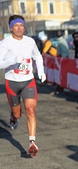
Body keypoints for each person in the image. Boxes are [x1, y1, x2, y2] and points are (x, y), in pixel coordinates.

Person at [0, 15, 46, 156]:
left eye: (21, 25)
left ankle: (32, 142)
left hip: (28, 80)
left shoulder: (30, 41)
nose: (19, 28)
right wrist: (13, 60)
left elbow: (37, 56)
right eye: (16, 25)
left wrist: (41, 71)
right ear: (11, 28)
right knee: (18, 113)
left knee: (30, 110)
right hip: (12, 81)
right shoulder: (5, 43)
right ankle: (13, 117)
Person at [53, 30, 69, 94]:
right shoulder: (60, 41)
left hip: (63, 62)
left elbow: (64, 53)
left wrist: (62, 61)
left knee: (63, 75)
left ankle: (63, 87)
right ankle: (61, 87)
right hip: (61, 61)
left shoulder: (62, 42)